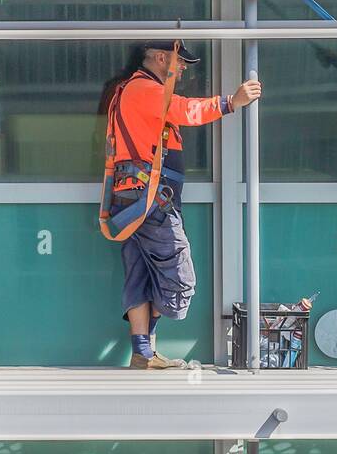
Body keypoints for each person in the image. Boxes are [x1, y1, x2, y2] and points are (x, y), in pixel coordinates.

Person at [105, 40, 262, 370]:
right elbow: (185, 110)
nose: (184, 69)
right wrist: (231, 102)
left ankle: (144, 353)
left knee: (141, 273)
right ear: (161, 58)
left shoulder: (129, 89)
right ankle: (146, 350)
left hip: (135, 198)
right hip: (149, 201)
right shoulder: (144, 88)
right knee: (177, 274)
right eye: (181, 62)